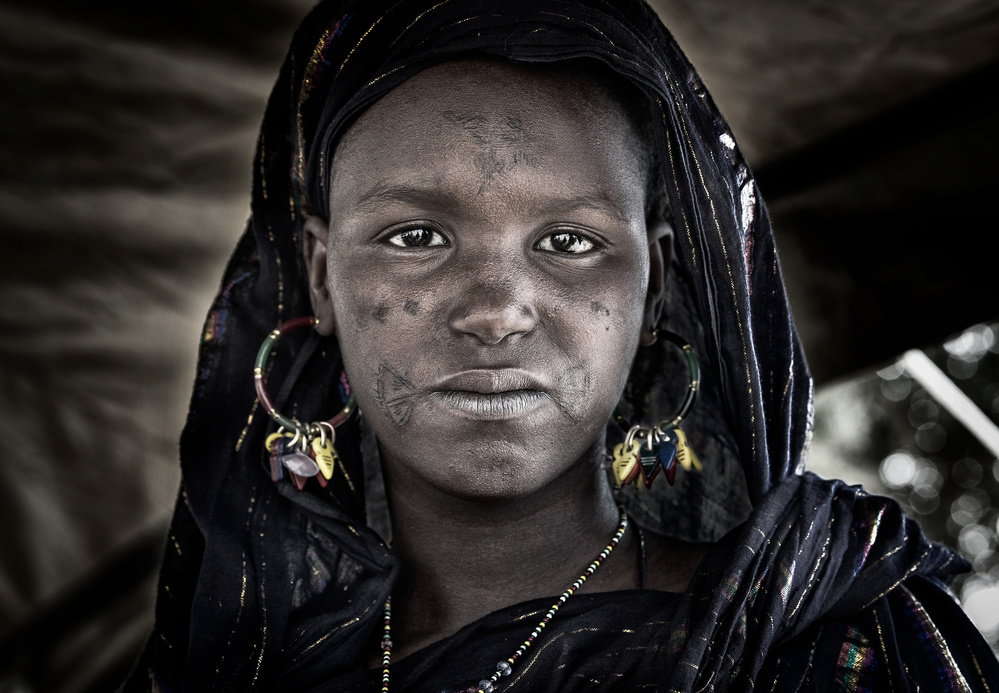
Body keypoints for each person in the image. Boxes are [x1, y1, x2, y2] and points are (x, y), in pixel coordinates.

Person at [122, 0, 999, 690]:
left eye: (569, 242)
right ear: (321, 274)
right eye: (417, 236)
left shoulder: (829, 634)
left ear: (652, 283)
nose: (497, 311)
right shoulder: (237, 665)